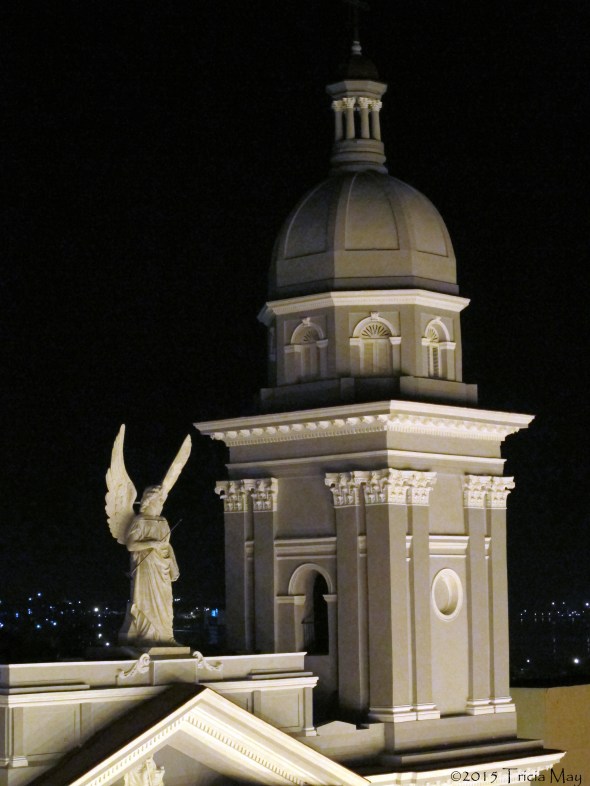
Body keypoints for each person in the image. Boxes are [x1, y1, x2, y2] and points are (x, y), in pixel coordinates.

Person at [119, 484, 180, 646]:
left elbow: (167, 545)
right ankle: (148, 637)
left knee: (165, 601)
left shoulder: (163, 521)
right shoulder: (139, 521)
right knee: (146, 601)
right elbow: (131, 546)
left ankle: (166, 636)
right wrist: (152, 543)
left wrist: (173, 565)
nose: (161, 503)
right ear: (150, 501)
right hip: (145, 569)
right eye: (159, 500)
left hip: (162, 568)